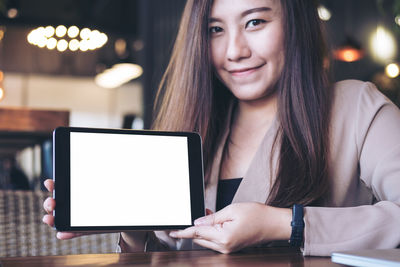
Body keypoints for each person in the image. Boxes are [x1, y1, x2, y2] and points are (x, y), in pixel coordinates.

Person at [43, 0, 400, 256]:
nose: (234, 50)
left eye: (255, 22)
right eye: (215, 29)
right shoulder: (193, 126)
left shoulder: (356, 107)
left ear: (295, 22)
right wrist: (131, 224)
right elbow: (171, 252)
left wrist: (286, 225)